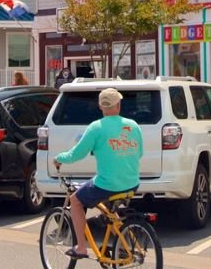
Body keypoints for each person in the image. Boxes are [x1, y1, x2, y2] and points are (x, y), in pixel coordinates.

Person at [52, 88, 143, 259]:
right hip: (132, 182)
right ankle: (122, 241)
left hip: (107, 184)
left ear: (101, 107)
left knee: (76, 201)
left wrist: (59, 158)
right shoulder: (133, 125)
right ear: (119, 104)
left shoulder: (96, 128)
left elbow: (76, 154)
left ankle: (80, 247)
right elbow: (140, 153)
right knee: (109, 206)